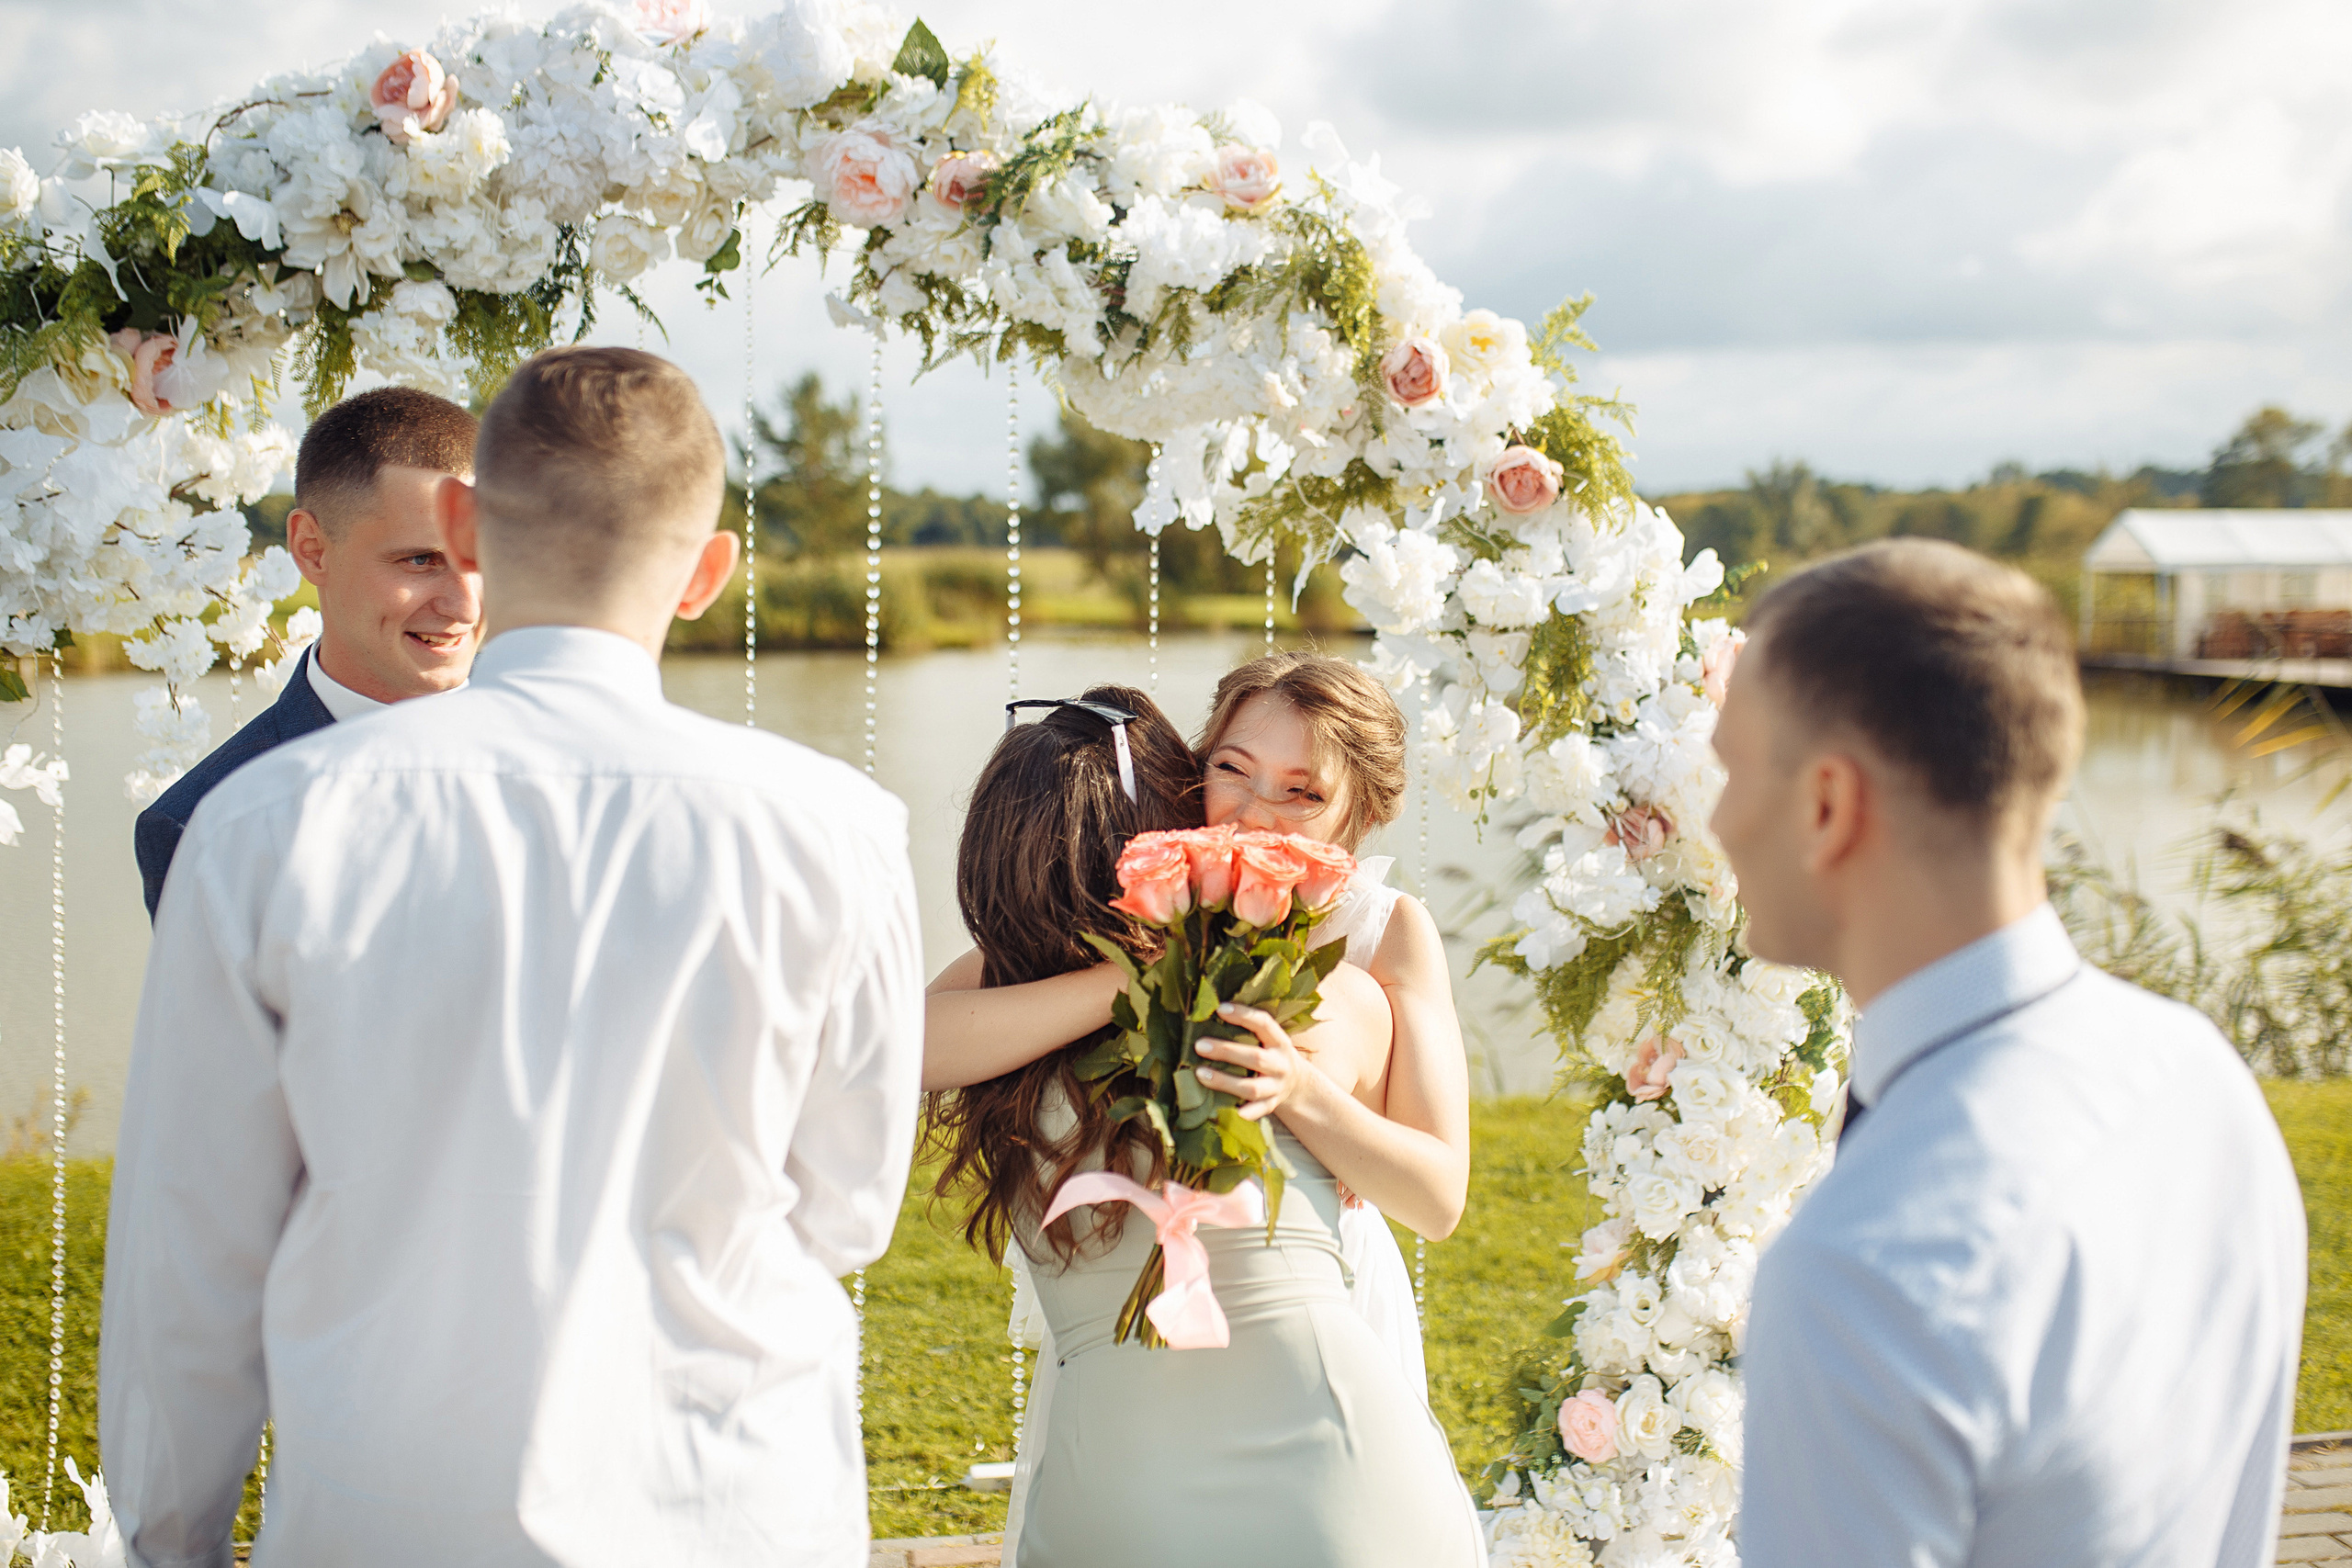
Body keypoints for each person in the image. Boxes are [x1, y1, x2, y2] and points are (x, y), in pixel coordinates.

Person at [99, 347, 924, 1568]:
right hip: (742, 1509)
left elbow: (191, 1257)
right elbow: (850, 1206)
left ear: (468, 524)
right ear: (707, 573)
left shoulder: (266, 827)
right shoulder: (838, 826)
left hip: (395, 1516)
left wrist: (171, 1540)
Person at [1714, 539, 2306, 1567]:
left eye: (1727, 769)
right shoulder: (2198, 1075)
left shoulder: (1864, 1274)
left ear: (1825, 806)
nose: (1715, 819)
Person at [925, 686, 1482, 1568]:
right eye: (1231, 769)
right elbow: (904, 1042)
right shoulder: (1091, 938)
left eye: (1303, 792)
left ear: (1359, 815)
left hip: (1321, 1281)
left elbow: (1438, 1194)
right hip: (1138, 1378)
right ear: (1189, 777)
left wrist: (1305, 1094)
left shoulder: (1365, 955)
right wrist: (1137, 977)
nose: (1258, 810)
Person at [133, 385, 482, 918]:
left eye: (483, 558)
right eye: (420, 561)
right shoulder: (205, 825)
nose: (465, 606)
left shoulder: (580, 767)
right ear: (312, 551)